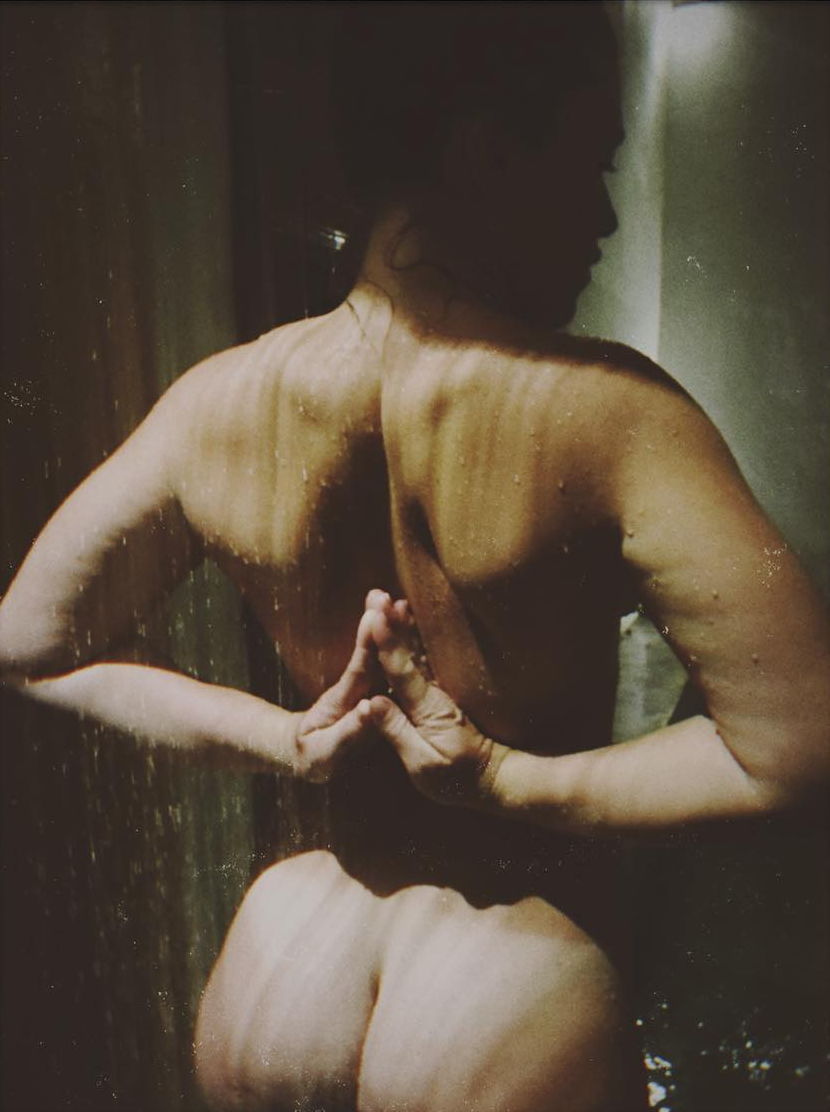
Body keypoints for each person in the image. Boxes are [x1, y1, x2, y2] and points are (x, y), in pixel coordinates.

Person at [1, 5, 827, 1111]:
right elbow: (795, 751)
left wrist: (287, 740)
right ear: (482, 154)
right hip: (513, 985)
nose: (603, 217)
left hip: (285, 962)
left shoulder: (213, 402)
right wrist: (507, 780)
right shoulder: (613, 410)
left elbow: (30, 645)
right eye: (588, 163)